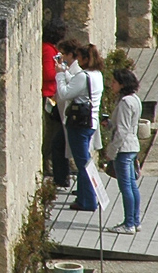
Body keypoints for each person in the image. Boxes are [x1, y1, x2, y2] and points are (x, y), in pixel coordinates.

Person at [53, 40, 105, 211]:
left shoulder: (84, 76)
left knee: (83, 163)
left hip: (79, 124)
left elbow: (65, 93)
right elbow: (78, 85)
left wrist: (60, 74)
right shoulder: (96, 75)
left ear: (84, 58)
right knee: (85, 160)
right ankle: (83, 198)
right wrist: (66, 72)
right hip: (91, 122)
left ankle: (89, 200)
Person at [105, 69, 143, 235]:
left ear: (122, 84)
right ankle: (135, 220)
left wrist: (111, 151)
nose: (111, 85)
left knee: (126, 186)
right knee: (132, 186)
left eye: (114, 82)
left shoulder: (126, 102)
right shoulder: (134, 99)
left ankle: (129, 223)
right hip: (131, 146)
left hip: (124, 148)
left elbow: (122, 130)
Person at [40, 21, 72, 189]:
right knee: (52, 134)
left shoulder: (51, 49)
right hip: (49, 96)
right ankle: (48, 165)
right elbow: (47, 73)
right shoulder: (47, 49)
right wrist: (61, 70)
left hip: (54, 95)